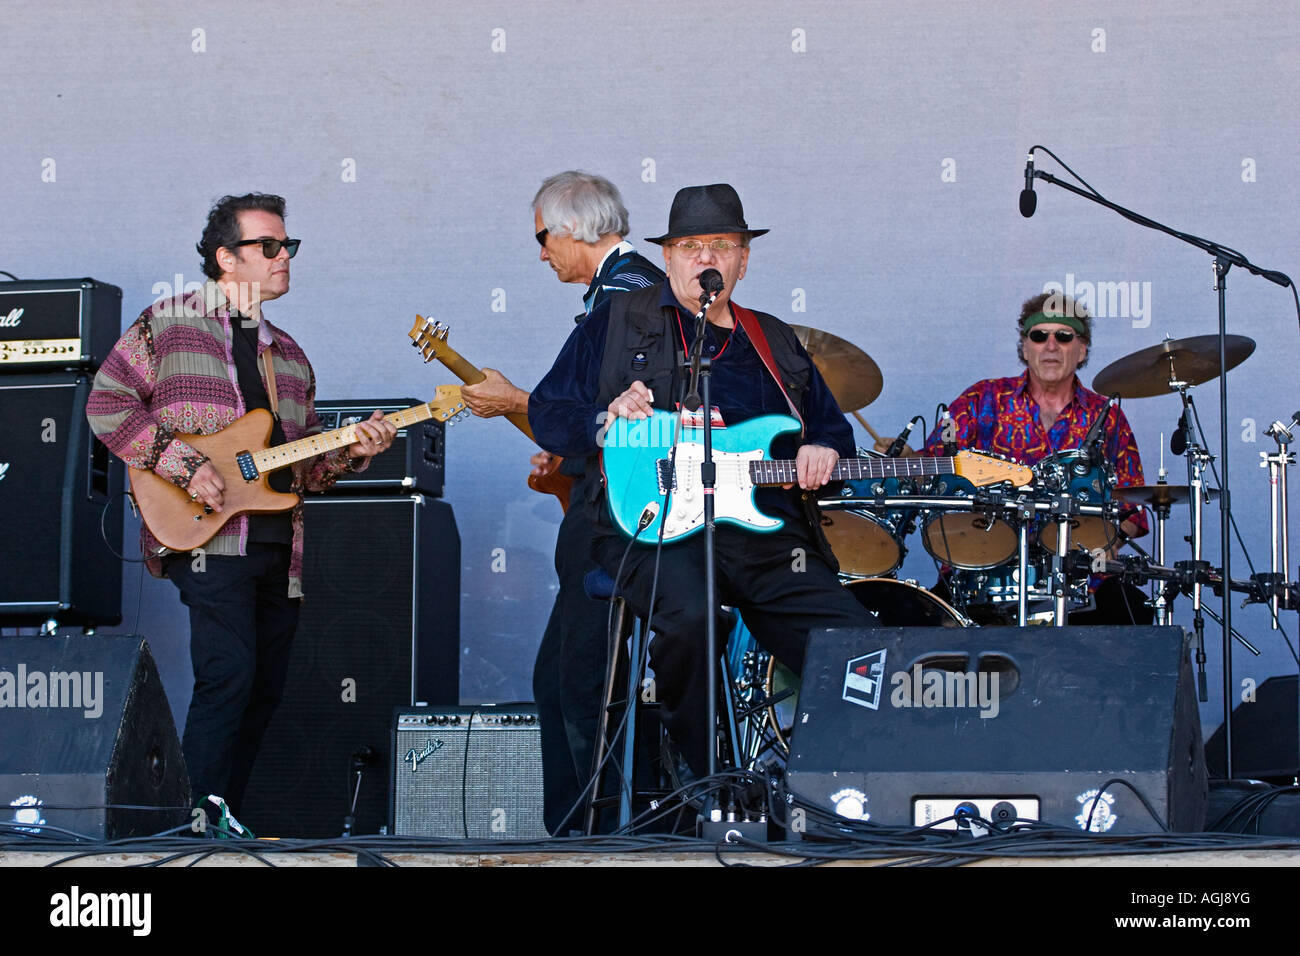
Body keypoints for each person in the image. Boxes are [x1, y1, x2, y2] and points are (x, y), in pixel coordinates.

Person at [530, 183, 875, 777]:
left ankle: (836, 785)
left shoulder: (775, 342)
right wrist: (604, 419)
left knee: (854, 649)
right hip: (651, 533)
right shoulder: (615, 325)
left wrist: (822, 451)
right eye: (690, 246)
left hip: (765, 540)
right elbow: (547, 411)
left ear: (744, 259)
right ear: (666, 258)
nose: (705, 257)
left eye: (721, 244)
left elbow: (832, 434)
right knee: (689, 616)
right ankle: (702, 779)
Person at [86, 193, 396, 825]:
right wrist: (184, 465)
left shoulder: (290, 356)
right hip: (206, 539)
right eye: (270, 246)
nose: (285, 257)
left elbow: (304, 470)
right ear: (226, 258)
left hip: (279, 549)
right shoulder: (168, 325)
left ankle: (220, 816)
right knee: (229, 673)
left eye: (289, 246)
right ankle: (188, 822)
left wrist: (356, 450)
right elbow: (107, 405)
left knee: (264, 687)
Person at [461, 171, 663, 835]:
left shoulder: (625, 302)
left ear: (573, 229)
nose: (541, 252)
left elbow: (604, 414)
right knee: (566, 678)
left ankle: (588, 834)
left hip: (615, 527)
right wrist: (572, 460)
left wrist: (516, 402)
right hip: (615, 513)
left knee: (579, 684)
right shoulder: (627, 296)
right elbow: (608, 419)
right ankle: (595, 827)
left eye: (544, 237)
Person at [918, 291, 1151, 623]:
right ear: (1025, 347)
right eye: (1039, 336)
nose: (1051, 345)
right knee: (919, 621)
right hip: (982, 575)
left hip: (1081, 582)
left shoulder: (1108, 417)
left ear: (1082, 349)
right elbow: (933, 468)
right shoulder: (981, 399)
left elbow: (1133, 509)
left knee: (1135, 613)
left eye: (1063, 336)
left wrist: (1108, 545)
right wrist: (904, 459)